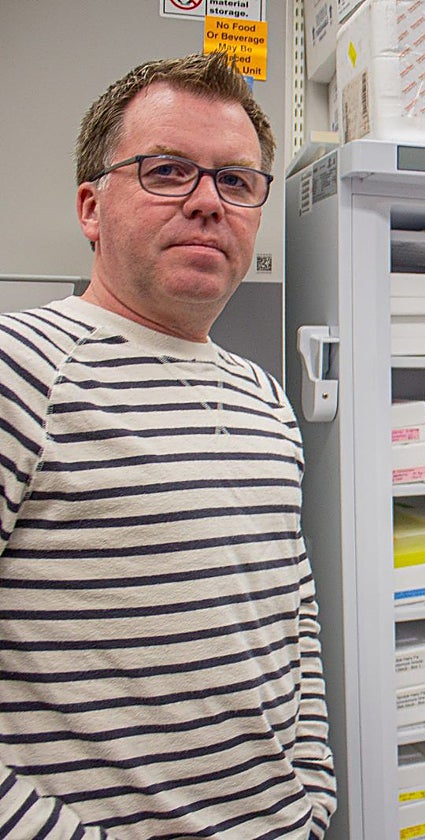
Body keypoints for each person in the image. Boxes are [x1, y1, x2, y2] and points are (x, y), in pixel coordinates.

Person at [0, 52, 336, 837]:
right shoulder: (21, 371)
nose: (207, 203)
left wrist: (313, 798)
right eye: (167, 171)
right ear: (91, 205)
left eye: (237, 181)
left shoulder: (265, 399)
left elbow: (294, 624)